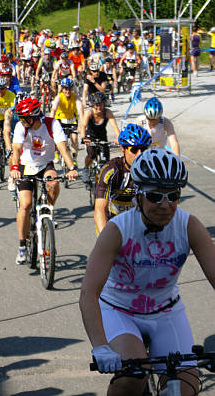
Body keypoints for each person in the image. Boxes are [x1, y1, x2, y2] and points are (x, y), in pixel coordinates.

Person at [79, 148, 215, 396]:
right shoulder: (118, 229)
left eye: (173, 196)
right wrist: (100, 346)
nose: (166, 205)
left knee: (186, 388)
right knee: (132, 377)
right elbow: (89, 292)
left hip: (166, 312)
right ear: (138, 196)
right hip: (119, 310)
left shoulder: (189, 226)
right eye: (155, 196)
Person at [11, 97, 78, 264]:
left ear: (33, 117)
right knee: (25, 204)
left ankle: (48, 210)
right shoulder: (21, 126)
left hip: (44, 165)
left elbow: (62, 147)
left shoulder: (52, 124)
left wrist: (71, 168)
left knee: (54, 183)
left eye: (23, 117)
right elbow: (17, 148)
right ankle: (22, 246)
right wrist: (13, 168)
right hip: (25, 166)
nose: (21, 120)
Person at [94, 123, 151, 234]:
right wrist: (105, 241)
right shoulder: (111, 171)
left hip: (137, 221)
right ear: (123, 150)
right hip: (112, 221)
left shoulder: (150, 170)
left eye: (143, 149)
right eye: (134, 150)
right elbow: (100, 210)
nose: (139, 154)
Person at [80, 92, 120, 183]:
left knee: (106, 161)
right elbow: (83, 126)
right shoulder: (89, 112)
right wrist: (84, 138)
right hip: (90, 137)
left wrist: (119, 138)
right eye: (96, 105)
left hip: (102, 137)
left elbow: (115, 127)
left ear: (104, 103)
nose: (99, 107)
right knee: (91, 155)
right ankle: (85, 169)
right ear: (93, 105)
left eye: (101, 104)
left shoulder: (107, 112)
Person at [50, 77, 83, 166]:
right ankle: (56, 152)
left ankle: (74, 158)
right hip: (60, 121)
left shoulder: (76, 97)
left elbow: (81, 111)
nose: (67, 91)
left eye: (69, 89)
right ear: (62, 89)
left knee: (74, 139)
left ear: (72, 89)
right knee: (56, 138)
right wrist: (49, 123)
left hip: (72, 121)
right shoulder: (59, 97)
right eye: (65, 89)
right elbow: (53, 110)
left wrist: (81, 125)